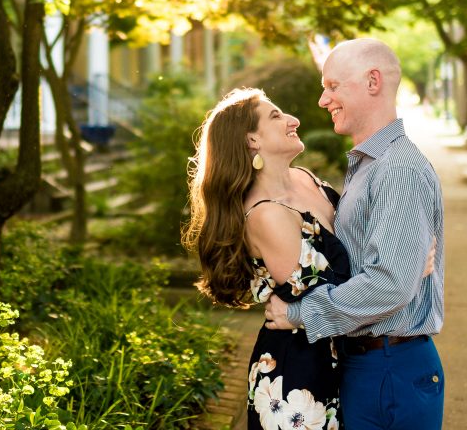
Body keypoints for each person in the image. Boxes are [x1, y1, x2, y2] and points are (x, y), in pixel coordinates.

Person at [264, 37, 446, 430]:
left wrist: (299, 313)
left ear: (372, 82)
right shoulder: (369, 164)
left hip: (389, 368)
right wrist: (413, 266)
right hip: (367, 363)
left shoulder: (396, 168)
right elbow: (380, 267)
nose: (322, 99)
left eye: (333, 86)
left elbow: (390, 285)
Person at [183, 86, 352, 430]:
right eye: (276, 116)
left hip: (345, 356)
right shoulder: (266, 216)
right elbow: (329, 293)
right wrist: (399, 268)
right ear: (251, 141)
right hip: (301, 379)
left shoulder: (305, 179)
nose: (294, 120)